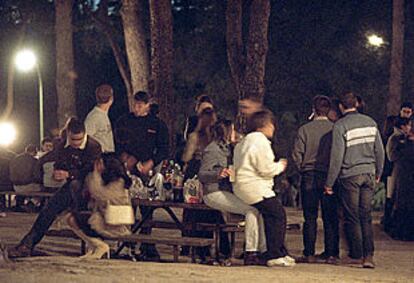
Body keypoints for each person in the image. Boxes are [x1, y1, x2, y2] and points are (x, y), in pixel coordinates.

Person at [8, 118, 102, 258]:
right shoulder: (61, 144)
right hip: (70, 185)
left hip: (87, 187)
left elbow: (91, 171)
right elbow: (59, 162)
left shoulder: (94, 146)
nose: (76, 143)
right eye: (73, 140)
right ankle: (27, 244)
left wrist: (69, 173)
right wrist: (58, 171)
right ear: (68, 134)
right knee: (48, 209)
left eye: (79, 140)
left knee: (75, 194)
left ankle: (94, 242)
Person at [325, 92, 384, 268]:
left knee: (352, 216)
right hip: (368, 173)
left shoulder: (340, 126)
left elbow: (337, 157)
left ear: (342, 107)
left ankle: (357, 254)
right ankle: (369, 255)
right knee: (366, 215)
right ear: (356, 104)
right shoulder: (371, 122)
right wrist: (378, 172)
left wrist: (329, 183)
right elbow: (379, 151)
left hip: (350, 175)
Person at [199, 119, 266, 265]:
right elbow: (202, 174)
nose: (235, 133)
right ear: (227, 132)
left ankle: (262, 249)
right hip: (213, 192)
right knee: (251, 210)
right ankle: (251, 251)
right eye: (233, 130)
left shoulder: (229, 149)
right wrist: (218, 173)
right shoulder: (212, 149)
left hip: (227, 190)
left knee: (259, 208)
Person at [233, 110, 295, 267]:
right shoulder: (259, 141)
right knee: (277, 215)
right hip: (255, 187)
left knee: (269, 215)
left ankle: (277, 251)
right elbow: (265, 168)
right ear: (264, 125)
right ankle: (273, 253)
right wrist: (280, 166)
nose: (273, 128)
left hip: (244, 186)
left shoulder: (244, 142)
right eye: (272, 125)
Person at [114, 91, 169, 261]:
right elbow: (117, 143)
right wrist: (125, 158)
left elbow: (164, 148)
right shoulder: (124, 121)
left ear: (147, 105)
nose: (136, 108)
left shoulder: (158, 125)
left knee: (147, 209)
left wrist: (151, 163)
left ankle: (147, 244)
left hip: (147, 171)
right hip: (128, 170)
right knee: (126, 208)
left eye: (140, 105)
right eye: (135, 104)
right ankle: (125, 245)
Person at [292, 96, 339, 264]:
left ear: (314, 109)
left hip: (309, 175)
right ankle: (331, 253)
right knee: (330, 216)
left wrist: (302, 168)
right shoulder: (336, 129)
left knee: (310, 216)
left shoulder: (304, 129)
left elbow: (297, 154)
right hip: (329, 176)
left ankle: (309, 252)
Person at [67, 153, 132, 260]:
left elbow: (97, 192)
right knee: (72, 216)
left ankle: (100, 246)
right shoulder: (112, 180)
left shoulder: (118, 182)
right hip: (107, 220)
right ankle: (94, 248)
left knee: (72, 219)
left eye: (100, 163)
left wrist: (95, 173)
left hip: (116, 225)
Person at [385, 117, 414, 240]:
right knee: (402, 202)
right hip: (403, 174)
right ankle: (401, 231)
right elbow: (393, 155)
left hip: (406, 175)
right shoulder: (398, 139)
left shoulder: (405, 140)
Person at [9, 144, 41, 211]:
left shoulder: (15, 159)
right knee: (44, 187)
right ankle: (33, 203)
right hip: (28, 186)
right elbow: (37, 176)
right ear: (35, 152)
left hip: (16, 187)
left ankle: (21, 203)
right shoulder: (35, 161)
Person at [84, 84, 115, 153]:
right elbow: (86, 138)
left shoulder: (102, 114)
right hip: (101, 156)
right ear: (111, 99)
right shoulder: (94, 117)